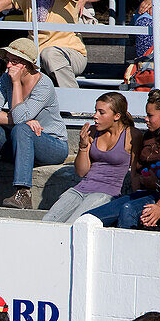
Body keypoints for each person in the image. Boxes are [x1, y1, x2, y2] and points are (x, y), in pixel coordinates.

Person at [0, 38, 69, 209]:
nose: (8, 65)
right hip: (21, 140)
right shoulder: (5, 79)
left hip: (52, 145)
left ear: (27, 65)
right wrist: (19, 119)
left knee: (22, 129)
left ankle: (23, 192)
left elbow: (19, 118)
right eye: (8, 60)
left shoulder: (44, 84)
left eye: (14, 61)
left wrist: (16, 84)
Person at [84, 87, 160, 228]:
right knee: (89, 217)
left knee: (128, 210)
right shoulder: (148, 136)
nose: (145, 119)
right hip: (145, 193)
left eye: (150, 115)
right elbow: (137, 169)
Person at [43, 92, 138, 223]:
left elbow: (135, 173)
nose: (95, 116)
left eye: (101, 112)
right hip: (80, 189)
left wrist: (136, 200)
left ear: (117, 116)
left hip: (107, 193)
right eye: (95, 111)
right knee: (47, 222)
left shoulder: (132, 135)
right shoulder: (93, 131)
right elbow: (81, 172)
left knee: (75, 224)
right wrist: (83, 146)